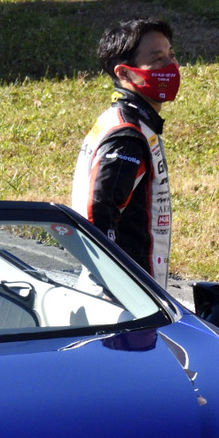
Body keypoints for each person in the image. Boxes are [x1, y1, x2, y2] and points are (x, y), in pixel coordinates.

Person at [70, 19, 177, 287]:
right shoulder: (127, 135)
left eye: (171, 55)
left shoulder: (122, 120)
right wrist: (116, 286)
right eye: (157, 59)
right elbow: (99, 213)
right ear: (125, 74)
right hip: (124, 300)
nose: (170, 67)